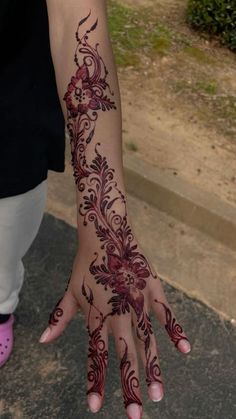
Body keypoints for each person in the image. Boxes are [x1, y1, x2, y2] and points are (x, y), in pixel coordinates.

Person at [0, 1, 191, 418]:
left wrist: (108, 228)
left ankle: (1, 307)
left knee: (3, 246)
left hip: (10, 124)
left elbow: (75, 15)